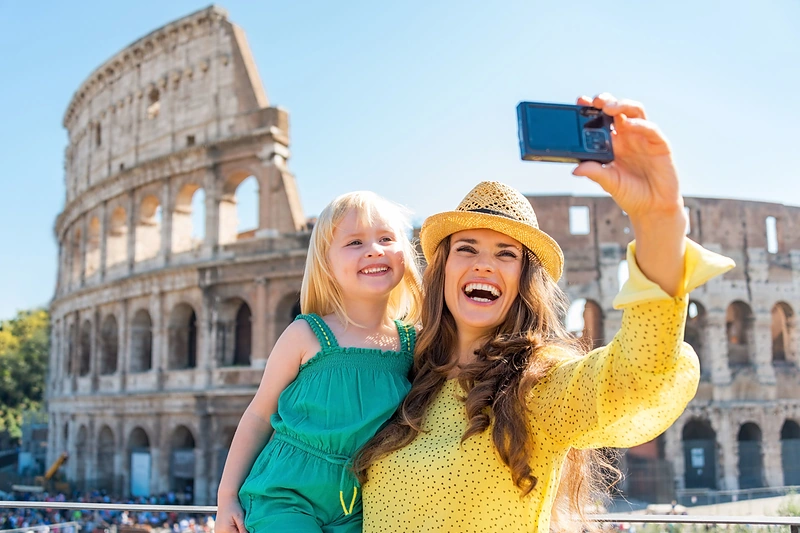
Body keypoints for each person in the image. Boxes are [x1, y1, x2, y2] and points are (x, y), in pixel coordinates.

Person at [354, 94, 735, 532]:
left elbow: (638, 375)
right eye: (467, 248)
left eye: (505, 253)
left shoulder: (535, 385)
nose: (484, 264)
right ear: (441, 271)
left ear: (522, 281)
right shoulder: (402, 372)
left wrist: (658, 218)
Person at [216, 191, 423, 533]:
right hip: (286, 493)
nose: (374, 249)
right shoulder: (306, 334)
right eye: (355, 242)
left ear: (405, 254)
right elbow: (257, 415)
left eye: (386, 238)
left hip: (364, 501)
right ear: (326, 263)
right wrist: (226, 498)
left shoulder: (414, 343)